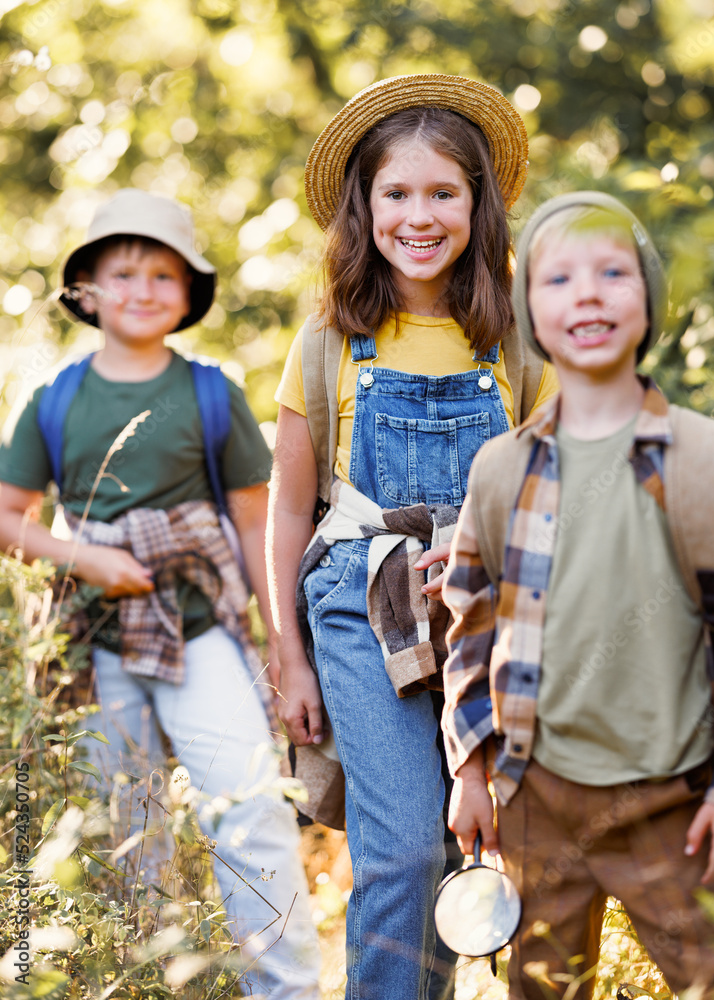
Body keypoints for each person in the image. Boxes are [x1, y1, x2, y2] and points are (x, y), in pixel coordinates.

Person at [266, 74, 558, 1000]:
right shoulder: (326, 340)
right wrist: (290, 657)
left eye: (443, 193)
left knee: (485, 845)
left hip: (492, 617)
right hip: (363, 601)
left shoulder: (518, 343)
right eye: (396, 193)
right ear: (365, 205)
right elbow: (288, 509)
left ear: (480, 205)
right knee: (401, 849)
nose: (419, 215)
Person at [0, 189, 321, 999]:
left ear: (187, 293)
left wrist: (285, 651)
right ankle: (147, 979)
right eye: (123, 273)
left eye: (162, 274)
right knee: (125, 824)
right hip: (99, 643)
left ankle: (284, 988)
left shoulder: (211, 393)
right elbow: (9, 518)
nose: (142, 289)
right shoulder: (55, 400)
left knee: (248, 810)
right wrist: (86, 558)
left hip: (203, 630)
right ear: (86, 292)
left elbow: (257, 528)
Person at [442, 190, 714, 999]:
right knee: (546, 989)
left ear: (648, 299)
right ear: (529, 311)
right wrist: (472, 768)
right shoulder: (502, 470)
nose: (590, 294)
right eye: (560, 277)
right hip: (541, 796)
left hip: (672, 796)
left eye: (614, 272)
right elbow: (471, 624)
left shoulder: (711, 461)